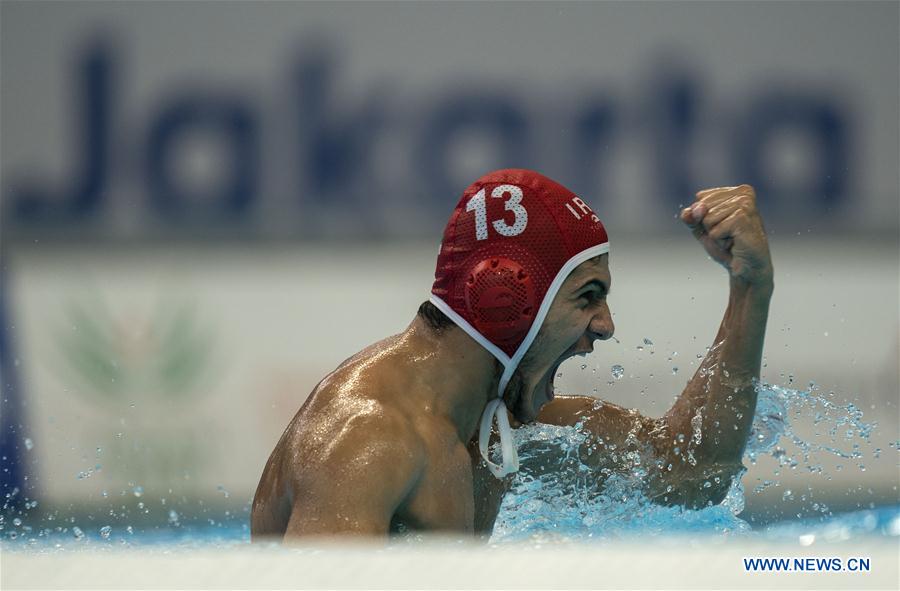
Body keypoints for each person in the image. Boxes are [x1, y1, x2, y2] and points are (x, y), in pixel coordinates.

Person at [250, 169, 773, 540]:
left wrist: (750, 288)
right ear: (507, 299)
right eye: (588, 296)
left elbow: (694, 474)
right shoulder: (369, 441)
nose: (607, 327)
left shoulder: (497, 421)